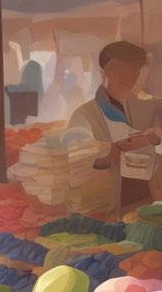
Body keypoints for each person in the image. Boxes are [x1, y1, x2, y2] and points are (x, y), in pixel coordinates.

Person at [69, 41, 161, 215]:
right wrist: (112, 150)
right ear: (110, 70)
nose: (136, 76)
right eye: (129, 68)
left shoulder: (143, 106)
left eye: (138, 69)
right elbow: (78, 162)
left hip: (147, 202)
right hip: (107, 211)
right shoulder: (85, 115)